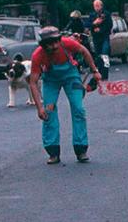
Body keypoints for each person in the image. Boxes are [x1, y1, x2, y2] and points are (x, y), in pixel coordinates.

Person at [27, 26, 102, 164]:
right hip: (50, 81)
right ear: (44, 45)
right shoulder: (38, 55)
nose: (55, 45)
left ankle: (81, 148)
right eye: (51, 43)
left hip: (71, 77)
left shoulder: (67, 43)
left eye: (57, 41)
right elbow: (33, 82)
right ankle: (53, 150)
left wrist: (94, 70)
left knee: (78, 109)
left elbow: (84, 51)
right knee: (49, 112)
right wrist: (39, 108)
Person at [88, 0, 113, 79]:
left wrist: (101, 29)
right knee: (98, 56)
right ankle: (100, 73)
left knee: (104, 54)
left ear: (101, 6)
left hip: (104, 37)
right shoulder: (92, 15)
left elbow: (109, 25)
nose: (97, 8)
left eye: (98, 6)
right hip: (96, 38)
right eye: (95, 6)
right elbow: (88, 25)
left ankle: (105, 74)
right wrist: (94, 23)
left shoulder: (106, 14)